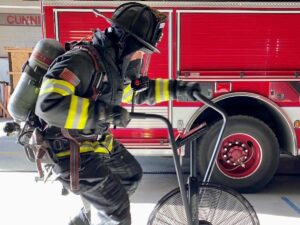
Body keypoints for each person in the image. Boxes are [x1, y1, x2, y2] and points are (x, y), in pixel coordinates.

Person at [34, 2, 206, 225]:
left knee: (130, 175)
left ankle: (85, 218)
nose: (138, 56)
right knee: (117, 208)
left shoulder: (110, 66)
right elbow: (48, 105)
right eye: (138, 49)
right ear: (125, 41)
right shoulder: (81, 61)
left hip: (92, 140)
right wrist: (104, 113)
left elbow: (130, 93)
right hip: (69, 149)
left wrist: (177, 89)